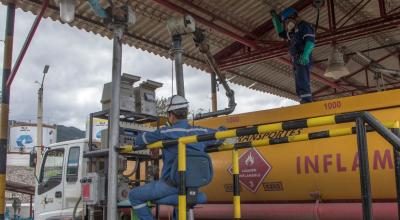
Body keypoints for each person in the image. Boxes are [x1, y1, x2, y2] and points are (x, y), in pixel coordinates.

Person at [129, 95, 220, 220]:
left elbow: (140, 140)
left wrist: (153, 144)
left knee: (134, 195)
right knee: (181, 202)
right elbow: (221, 135)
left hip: (169, 185)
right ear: (186, 113)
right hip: (193, 187)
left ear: (171, 115)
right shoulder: (202, 132)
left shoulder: (165, 132)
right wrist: (222, 129)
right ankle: (183, 200)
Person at [271, 7, 316, 103]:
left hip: (303, 58)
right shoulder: (292, 32)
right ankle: (302, 99)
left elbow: (310, 42)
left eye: (287, 21)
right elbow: (281, 34)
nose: (287, 24)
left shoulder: (304, 26)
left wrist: (305, 55)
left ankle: (307, 101)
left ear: (294, 17)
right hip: (296, 60)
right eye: (285, 23)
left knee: (303, 80)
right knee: (299, 82)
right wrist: (275, 19)